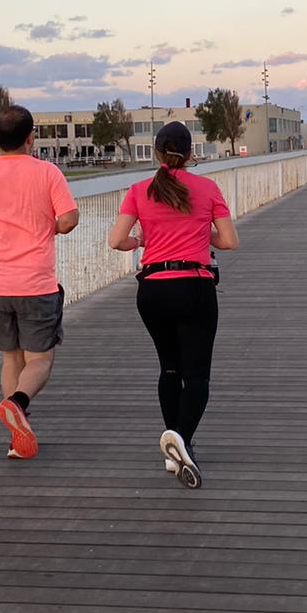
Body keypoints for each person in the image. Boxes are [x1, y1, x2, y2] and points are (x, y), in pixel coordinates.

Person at [107, 121, 239, 487]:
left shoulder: (138, 190)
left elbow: (116, 240)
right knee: (197, 375)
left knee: (169, 369)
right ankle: (182, 440)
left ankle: (173, 448)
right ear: (191, 154)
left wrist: (141, 242)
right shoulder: (207, 188)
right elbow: (229, 241)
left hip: (151, 290)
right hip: (194, 286)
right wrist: (200, 232)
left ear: (157, 153)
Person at [0, 105, 79, 459]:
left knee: (11, 357)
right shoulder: (47, 173)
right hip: (35, 282)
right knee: (40, 359)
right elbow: (68, 219)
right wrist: (45, 227)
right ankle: (18, 404)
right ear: (29, 137)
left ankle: (16, 439)